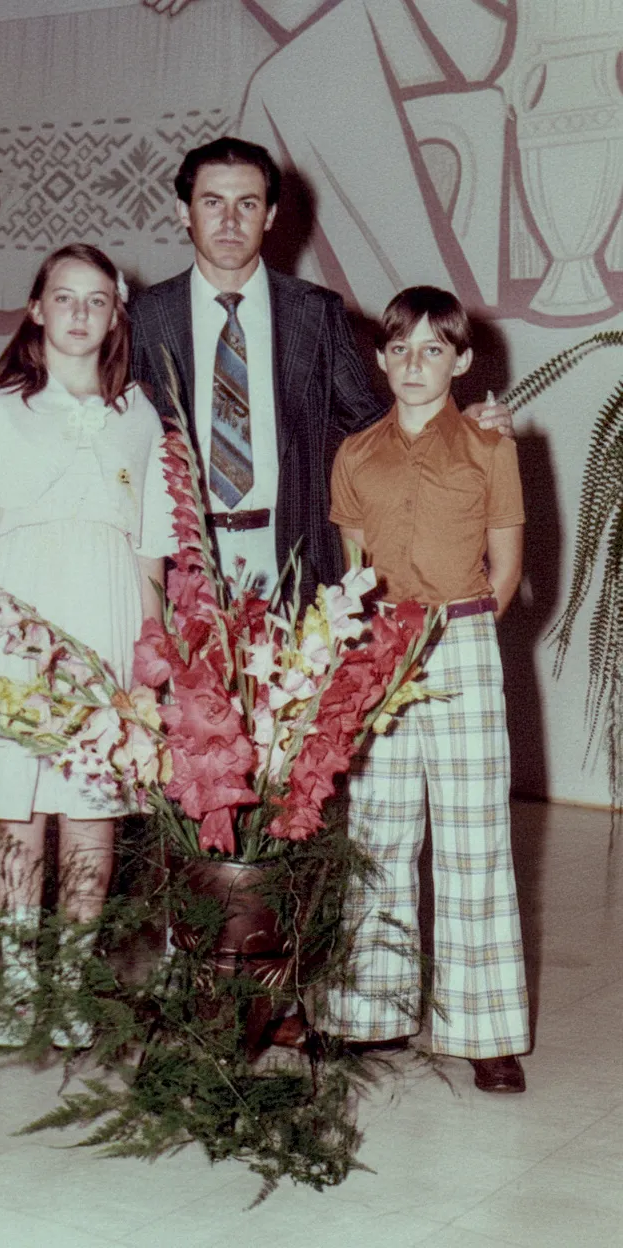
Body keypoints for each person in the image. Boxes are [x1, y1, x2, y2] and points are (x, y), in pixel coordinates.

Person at [0, 137, 513, 611]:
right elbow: (82, 396)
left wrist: (454, 424)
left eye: (247, 204)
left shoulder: (317, 314)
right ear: (184, 212)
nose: (229, 221)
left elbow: (374, 424)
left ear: (269, 216)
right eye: (212, 203)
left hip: (293, 558)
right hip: (176, 563)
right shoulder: (145, 316)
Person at [0, 243, 171, 1048]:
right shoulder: (1, 412)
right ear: (36, 309)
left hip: (104, 626)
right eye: (65, 297)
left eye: (97, 300)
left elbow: (150, 554)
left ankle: (71, 982)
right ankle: (22, 982)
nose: (80, 313)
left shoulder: (140, 417)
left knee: (93, 809)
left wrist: (149, 660)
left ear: (116, 314)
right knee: (18, 804)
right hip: (16, 625)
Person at [328, 285, 529, 1093]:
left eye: (433, 350)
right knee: (378, 832)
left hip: (463, 640)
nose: (415, 364)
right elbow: (353, 569)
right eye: (400, 349)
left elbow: (507, 566)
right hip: (380, 650)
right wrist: (373, 651)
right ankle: (369, 1011)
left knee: (474, 836)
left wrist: (459, 634)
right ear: (381, 359)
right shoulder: (355, 454)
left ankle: (484, 1030)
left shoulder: (489, 445)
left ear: (462, 360)